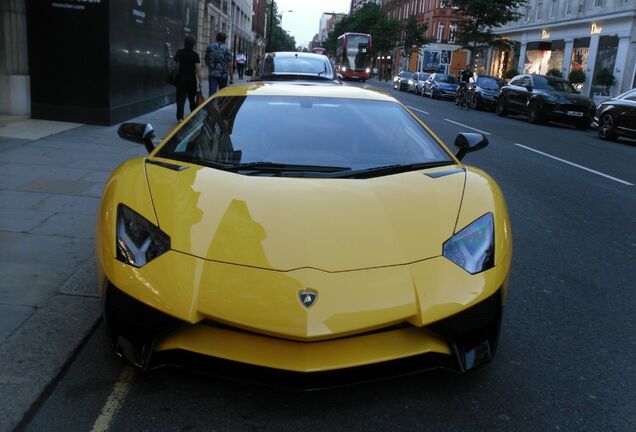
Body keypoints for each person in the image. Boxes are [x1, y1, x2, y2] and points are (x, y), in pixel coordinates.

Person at [174, 35, 202, 122]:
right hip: (191, 79)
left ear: (185, 43)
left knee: (180, 99)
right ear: (193, 44)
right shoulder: (195, 55)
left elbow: (175, 66)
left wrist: (175, 75)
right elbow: (198, 69)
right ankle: (193, 116)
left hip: (181, 78)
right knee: (191, 99)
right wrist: (200, 81)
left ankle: (180, 118)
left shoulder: (179, 52)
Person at [205, 32, 233, 97]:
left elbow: (206, 59)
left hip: (212, 74)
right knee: (222, 94)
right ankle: (220, 106)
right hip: (223, 75)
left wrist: (210, 66)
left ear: (217, 38)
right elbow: (230, 65)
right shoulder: (227, 50)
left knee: (212, 93)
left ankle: (211, 105)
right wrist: (231, 78)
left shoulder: (210, 47)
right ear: (225, 39)